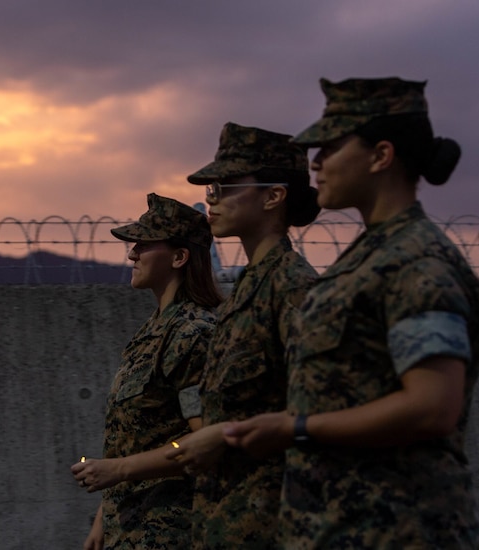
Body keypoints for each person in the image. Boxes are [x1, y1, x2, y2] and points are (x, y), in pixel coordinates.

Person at [223, 77, 479, 548]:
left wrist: (294, 428)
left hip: (398, 529)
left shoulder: (416, 263)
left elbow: (432, 407)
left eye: (329, 148)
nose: (316, 163)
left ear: (381, 156)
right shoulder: (370, 257)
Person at [165, 122, 320, 549]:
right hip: (227, 521)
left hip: (274, 523)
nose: (211, 199)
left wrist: (225, 436)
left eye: (226, 186)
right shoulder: (243, 294)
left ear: (273, 196)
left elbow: (318, 414)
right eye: (210, 188)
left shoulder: (292, 287)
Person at [71, 193, 222, 549]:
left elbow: (202, 442)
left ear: (179, 257)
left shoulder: (191, 334)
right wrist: (103, 517)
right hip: (128, 524)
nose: (132, 254)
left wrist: (118, 470)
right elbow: (134, 437)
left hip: (168, 529)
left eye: (143, 245)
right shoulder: (152, 331)